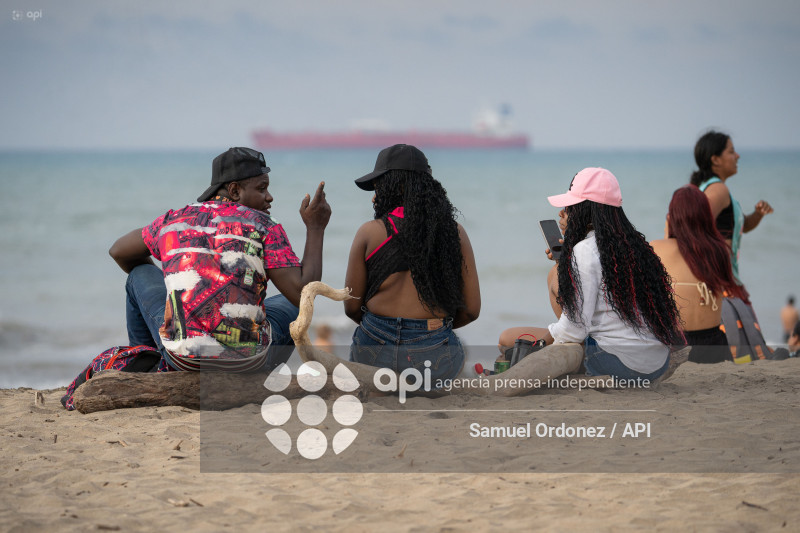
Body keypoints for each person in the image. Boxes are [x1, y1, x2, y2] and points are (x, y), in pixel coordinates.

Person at [108, 147, 331, 372]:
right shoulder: (264, 225)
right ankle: (259, 377)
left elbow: (119, 250)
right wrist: (316, 227)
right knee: (291, 307)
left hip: (183, 360)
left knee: (139, 273)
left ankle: (147, 363)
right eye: (262, 188)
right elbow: (303, 295)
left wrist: (171, 292)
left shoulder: (175, 220)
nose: (269, 197)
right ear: (234, 190)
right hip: (247, 362)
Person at [498, 168, 681, 382]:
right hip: (656, 364)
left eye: (569, 207)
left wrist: (541, 345)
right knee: (558, 276)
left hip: (620, 363)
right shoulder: (634, 245)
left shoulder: (585, 250)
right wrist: (567, 263)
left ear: (585, 210)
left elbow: (572, 331)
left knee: (507, 339)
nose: (562, 213)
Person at [344, 144, 481, 382]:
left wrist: (384, 328)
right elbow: (471, 310)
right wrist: (434, 328)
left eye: (378, 187)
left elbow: (351, 308)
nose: (375, 197)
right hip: (431, 350)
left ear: (395, 186)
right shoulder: (454, 233)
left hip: (374, 346)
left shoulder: (368, 232)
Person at [650, 185, 745, 363]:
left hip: (673, 345)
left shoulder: (656, 248)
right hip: (713, 346)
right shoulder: (720, 251)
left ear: (672, 217)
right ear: (707, 217)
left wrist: (668, 233)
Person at [690, 130, 774, 293]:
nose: (737, 156)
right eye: (731, 151)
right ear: (715, 159)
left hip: (722, 284)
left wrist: (758, 214)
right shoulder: (718, 190)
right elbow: (693, 227)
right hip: (721, 286)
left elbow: (739, 226)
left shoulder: (709, 189)